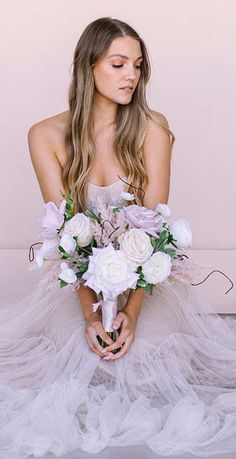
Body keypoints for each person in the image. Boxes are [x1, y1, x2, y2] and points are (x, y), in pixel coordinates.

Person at [1, 16, 236, 459]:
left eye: (138, 65)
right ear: (88, 67)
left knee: (146, 369)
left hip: (145, 283)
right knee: (82, 361)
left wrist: (130, 309)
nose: (132, 75)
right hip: (80, 286)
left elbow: (155, 236)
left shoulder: (151, 128)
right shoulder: (46, 136)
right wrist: (91, 316)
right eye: (119, 64)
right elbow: (67, 241)